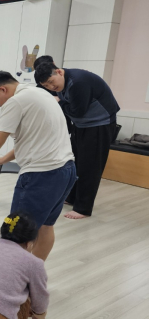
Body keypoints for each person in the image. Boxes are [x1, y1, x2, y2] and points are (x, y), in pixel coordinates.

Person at [0, 71, 76, 261]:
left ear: (3, 89)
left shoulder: (16, 101)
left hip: (41, 175)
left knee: (16, 234)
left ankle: (14, 277)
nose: (0, 105)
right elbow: (31, 139)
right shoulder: (40, 94)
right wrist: (3, 159)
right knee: (45, 227)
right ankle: (33, 274)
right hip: (66, 170)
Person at [35, 63, 120, 220]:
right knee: (74, 163)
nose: (51, 87)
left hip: (99, 125)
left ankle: (83, 208)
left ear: (59, 72)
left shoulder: (78, 82)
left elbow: (77, 111)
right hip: (82, 125)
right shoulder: (62, 83)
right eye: (46, 85)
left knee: (89, 167)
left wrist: (59, 102)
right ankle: (72, 197)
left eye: (51, 82)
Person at [33, 56, 73, 134]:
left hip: (65, 120)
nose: (51, 86)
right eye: (46, 85)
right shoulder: (39, 87)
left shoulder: (65, 78)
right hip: (49, 123)